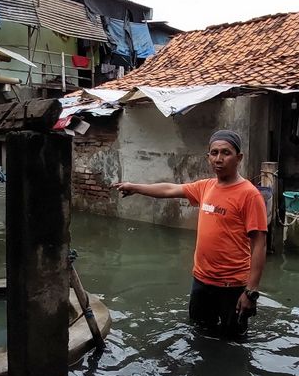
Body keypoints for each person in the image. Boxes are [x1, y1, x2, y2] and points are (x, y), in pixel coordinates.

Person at [113, 130, 267, 337]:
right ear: (208, 157)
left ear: (239, 158)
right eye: (213, 153)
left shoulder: (249, 195)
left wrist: (251, 292)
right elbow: (170, 189)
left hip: (232, 286)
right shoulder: (206, 187)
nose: (218, 159)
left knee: (232, 342)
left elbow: (259, 244)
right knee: (199, 335)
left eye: (225, 153)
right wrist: (135, 187)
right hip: (202, 281)